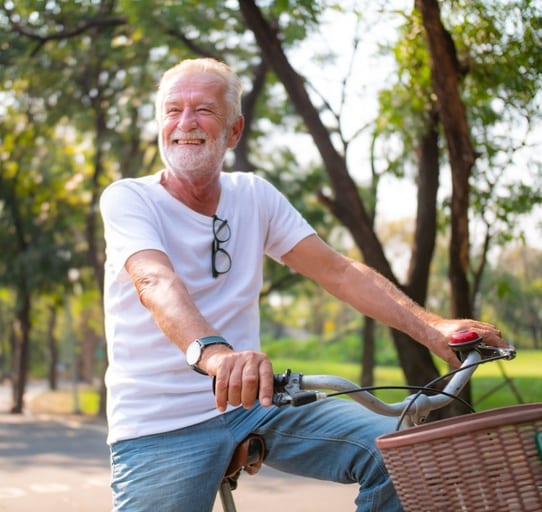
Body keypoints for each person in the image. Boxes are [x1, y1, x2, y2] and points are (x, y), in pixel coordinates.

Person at [100, 57, 508, 512]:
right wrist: (216, 355)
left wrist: (432, 328)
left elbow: (337, 271)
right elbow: (155, 280)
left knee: (395, 454)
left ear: (234, 131)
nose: (185, 123)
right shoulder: (129, 199)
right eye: (173, 110)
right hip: (159, 423)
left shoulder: (253, 195)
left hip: (251, 406)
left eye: (204, 110)